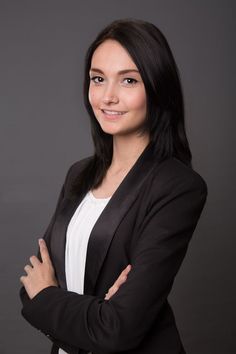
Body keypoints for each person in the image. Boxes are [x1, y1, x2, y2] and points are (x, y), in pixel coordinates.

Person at [19, 18, 208, 354]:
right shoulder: (79, 174)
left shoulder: (178, 187)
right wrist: (92, 315)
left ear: (156, 87)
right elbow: (31, 285)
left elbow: (118, 328)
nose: (108, 96)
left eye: (129, 80)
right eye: (98, 78)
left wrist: (50, 299)